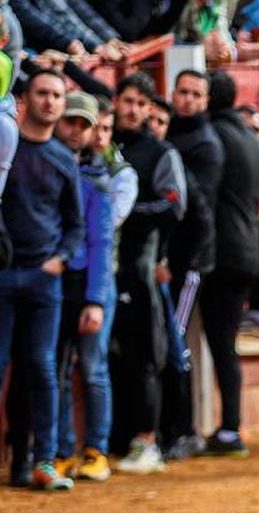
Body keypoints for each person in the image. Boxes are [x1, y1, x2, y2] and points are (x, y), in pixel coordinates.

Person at [0, 71, 83, 492]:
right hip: (2, 275)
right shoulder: (5, 148)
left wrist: (60, 259)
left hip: (42, 277)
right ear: (25, 99)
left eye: (56, 95)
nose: (50, 101)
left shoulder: (63, 159)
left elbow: (75, 225)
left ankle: (43, 460)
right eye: (43, 93)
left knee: (42, 367)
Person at [109, 72, 185, 475]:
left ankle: (148, 439)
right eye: (128, 101)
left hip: (141, 265)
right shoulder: (102, 144)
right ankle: (112, 440)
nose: (133, 109)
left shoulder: (160, 153)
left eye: (141, 103)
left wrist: (121, 215)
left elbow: (174, 207)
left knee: (147, 357)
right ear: (116, 101)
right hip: (103, 268)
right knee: (107, 357)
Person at [49, 94, 121, 482]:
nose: (76, 130)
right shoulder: (54, 167)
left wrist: (95, 298)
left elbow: (101, 243)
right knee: (58, 368)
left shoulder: (97, 180)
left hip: (89, 282)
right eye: (71, 122)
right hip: (57, 280)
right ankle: (62, 450)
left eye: (84, 125)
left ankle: (96, 449)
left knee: (92, 368)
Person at [198, 71, 259, 457]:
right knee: (225, 343)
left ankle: (229, 428)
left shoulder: (213, 136)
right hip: (248, 248)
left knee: (221, 343)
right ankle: (228, 428)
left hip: (221, 252)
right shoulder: (250, 139)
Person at [159, 69, 225, 461]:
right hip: (168, 256)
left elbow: (196, 209)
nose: (187, 100)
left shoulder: (205, 144)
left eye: (195, 94)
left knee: (175, 341)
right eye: (182, 92)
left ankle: (183, 429)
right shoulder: (172, 135)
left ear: (206, 101)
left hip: (188, 260)